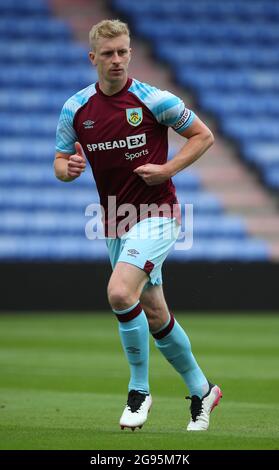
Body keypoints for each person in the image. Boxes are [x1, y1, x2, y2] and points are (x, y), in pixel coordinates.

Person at [54, 19, 222, 431]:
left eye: (123, 52)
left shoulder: (153, 100)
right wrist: (68, 168)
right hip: (114, 220)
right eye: (108, 53)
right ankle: (203, 390)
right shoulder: (76, 108)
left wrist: (167, 169)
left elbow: (203, 136)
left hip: (157, 216)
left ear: (130, 53)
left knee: (118, 292)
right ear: (92, 58)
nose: (117, 60)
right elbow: (60, 161)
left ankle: (139, 390)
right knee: (153, 311)